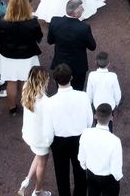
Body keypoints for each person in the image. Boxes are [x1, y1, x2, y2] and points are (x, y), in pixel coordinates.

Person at [42, 64, 93, 196]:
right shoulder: (83, 96)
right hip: (80, 139)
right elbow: (89, 120)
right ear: (71, 77)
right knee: (81, 172)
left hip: (59, 142)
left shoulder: (50, 102)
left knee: (61, 174)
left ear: (55, 80)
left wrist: (48, 142)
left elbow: (48, 128)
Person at [0, 0, 44, 115]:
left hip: (8, 57)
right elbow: (39, 38)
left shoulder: (2, 22)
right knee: (26, 81)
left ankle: (12, 108)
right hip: (27, 56)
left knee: (11, 82)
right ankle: (26, 105)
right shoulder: (32, 22)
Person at [48, 0, 98, 91]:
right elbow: (92, 47)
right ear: (75, 13)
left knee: (61, 89)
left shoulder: (54, 21)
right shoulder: (83, 28)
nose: (83, 10)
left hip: (60, 65)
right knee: (78, 90)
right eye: (81, 9)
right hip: (78, 66)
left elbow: (50, 41)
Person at [17, 66, 52, 196]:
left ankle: (26, 181)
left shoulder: (26, 88)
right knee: (42, 164)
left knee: (38, 155)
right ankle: (37, 191)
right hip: (41, 138)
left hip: (29, 133)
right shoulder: (46, 102)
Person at [78, 103, 123, 196]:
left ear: (95, 116)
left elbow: (81, 157)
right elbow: (116, 167)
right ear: (111, 117)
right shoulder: (115, 141)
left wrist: (84, 166)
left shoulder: (85, 134)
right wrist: (118, 177)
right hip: (109, 178)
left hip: (91, 175)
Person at [86, 52, 121, 131]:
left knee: (97, 126)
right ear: (108, 64)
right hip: (110, 107)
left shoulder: (92, 75)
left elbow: (89, 94)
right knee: (110, 126)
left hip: (97, 106)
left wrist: (90, 103)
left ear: (96, 63)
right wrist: (116, 104)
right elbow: (117, 94)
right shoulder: (113, 76)